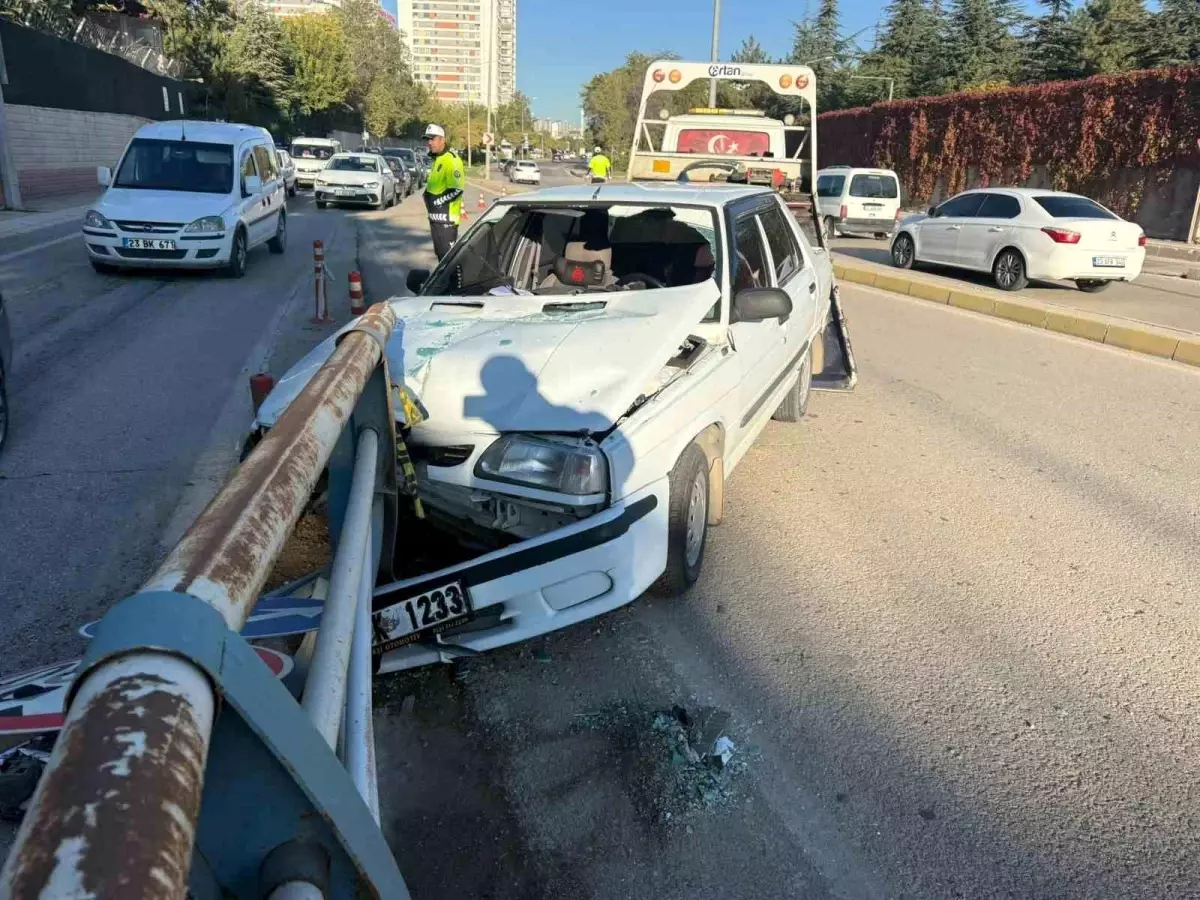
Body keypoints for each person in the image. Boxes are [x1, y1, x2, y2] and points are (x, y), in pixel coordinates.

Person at [422, 123, 465, 260]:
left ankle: (456, 283)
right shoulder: (437, 159)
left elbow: (457, 189)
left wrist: (438, 201)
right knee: (441, 257)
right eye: (428, 139)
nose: (429, 143)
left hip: (447, 220)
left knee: (449, 261)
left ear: (442, 140)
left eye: (432, 139)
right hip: (435, 219)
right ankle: (444, 283)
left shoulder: (451, 160)